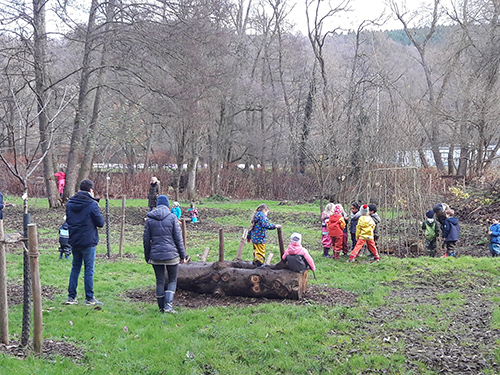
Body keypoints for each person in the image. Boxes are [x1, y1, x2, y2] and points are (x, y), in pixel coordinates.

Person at [144, 195, 189, 313]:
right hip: (171, 255)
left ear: (158, 204)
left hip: (156, 255)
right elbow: (178, 239)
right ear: (167, 204)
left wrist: (147, 256)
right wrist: (183, 255)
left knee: (160, 280)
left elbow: (146, 240)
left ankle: (161, 308)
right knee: (172, 279)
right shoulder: (172, 217)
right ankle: (169, 306)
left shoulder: (149, 219)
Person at [64, 179, 105, 306]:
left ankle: (71, 297)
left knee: (75, 267)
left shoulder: (70, 203)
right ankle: (89, 298)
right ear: (91, 190)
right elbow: (101, 223)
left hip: (74, 239)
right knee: (89, 269)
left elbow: (68, 220)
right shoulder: (92, 204)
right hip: (88, 241)